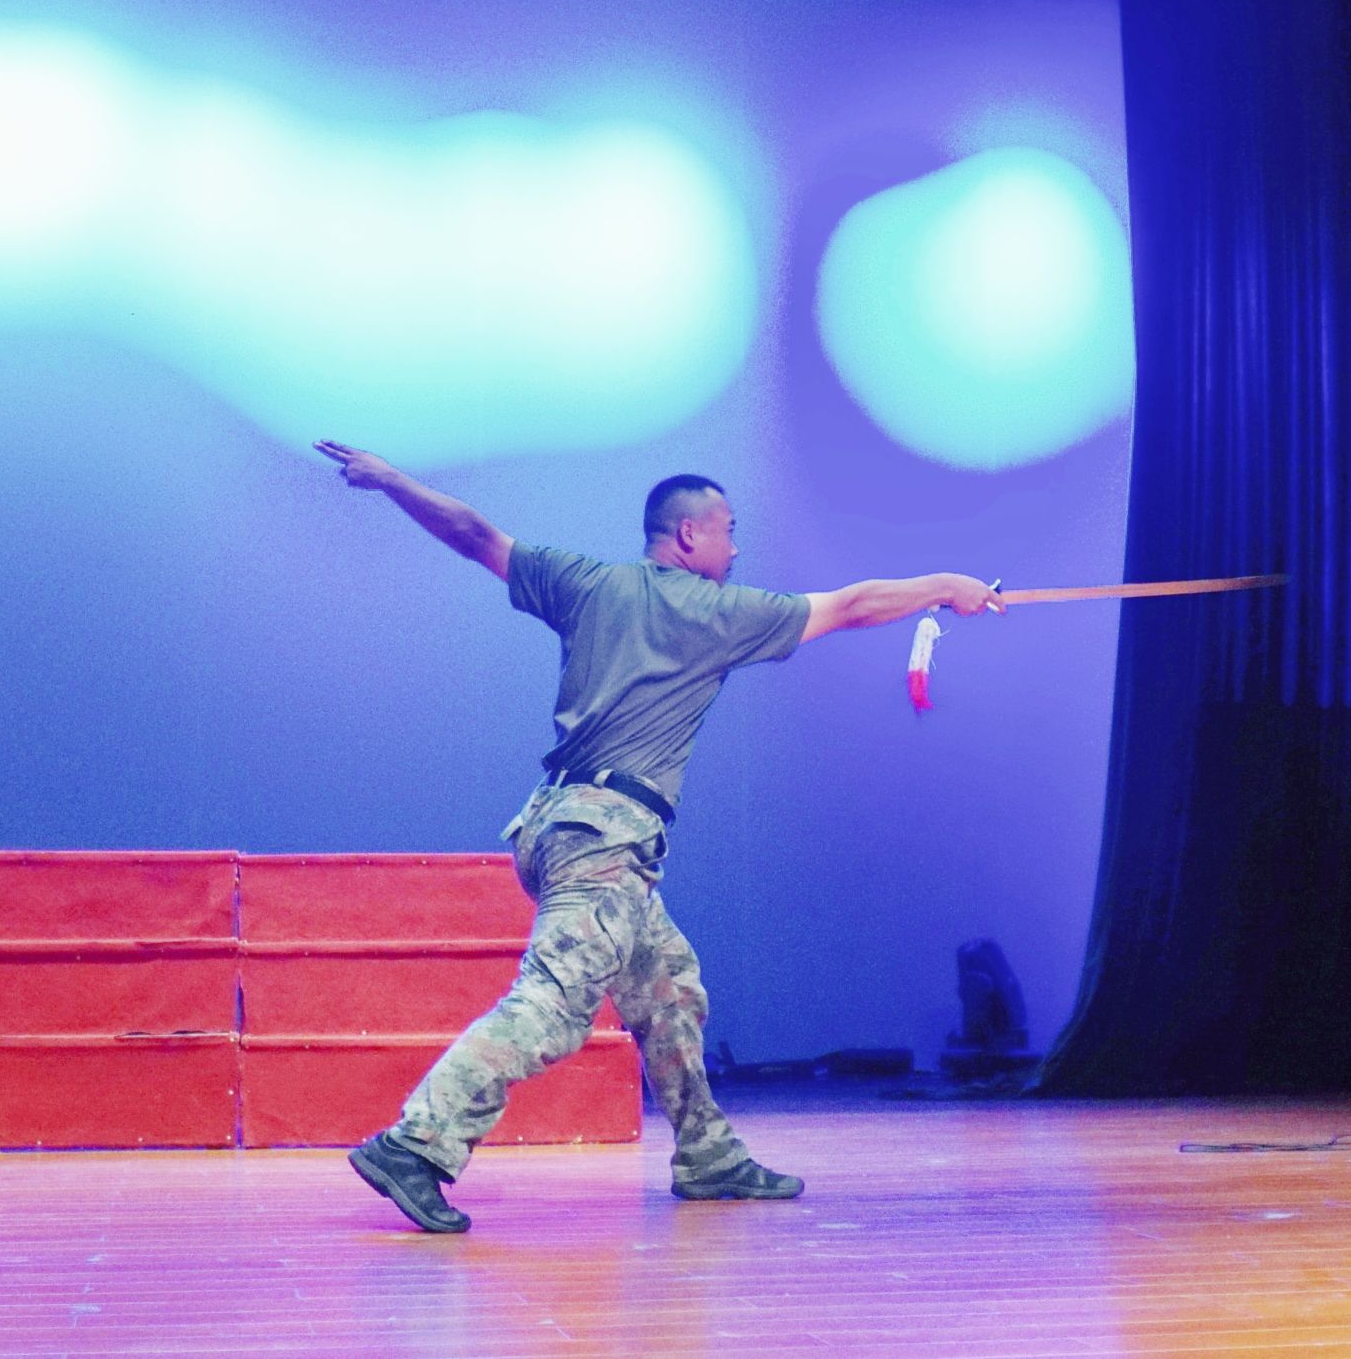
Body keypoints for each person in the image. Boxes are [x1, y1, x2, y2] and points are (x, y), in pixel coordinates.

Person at [317, 440, 1004, 1233]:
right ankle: (415, 1144)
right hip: (605, 841)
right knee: (552, 1007)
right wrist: (945, 586)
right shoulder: (716, 614)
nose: (736, 550)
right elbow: (852, 605)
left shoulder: (586, 584)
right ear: (688, 535)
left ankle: (708, 1153)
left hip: (560, 825)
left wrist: (392, 480)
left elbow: (474, 534)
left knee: (670, 986)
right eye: (728, 531)